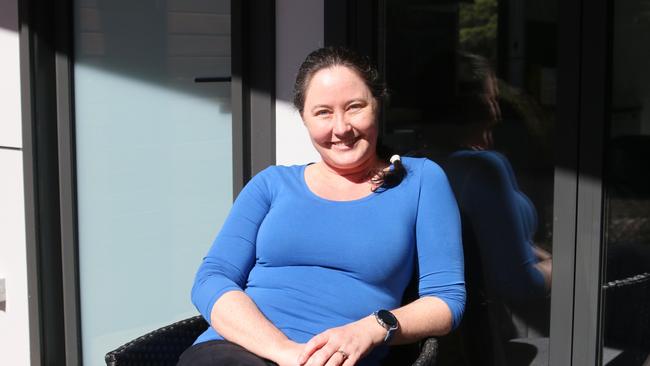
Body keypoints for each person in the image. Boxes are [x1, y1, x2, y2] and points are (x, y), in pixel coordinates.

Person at [177, 47, 465, 366]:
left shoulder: (420, 181)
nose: (341, 128)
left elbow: (446, 302)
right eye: (323, 112)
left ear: (378, 105)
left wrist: (373, 328)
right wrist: (287, 353)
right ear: (304, 117)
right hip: (234, 351)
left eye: (354, 107)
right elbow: (212, 278)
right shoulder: (271, 184)